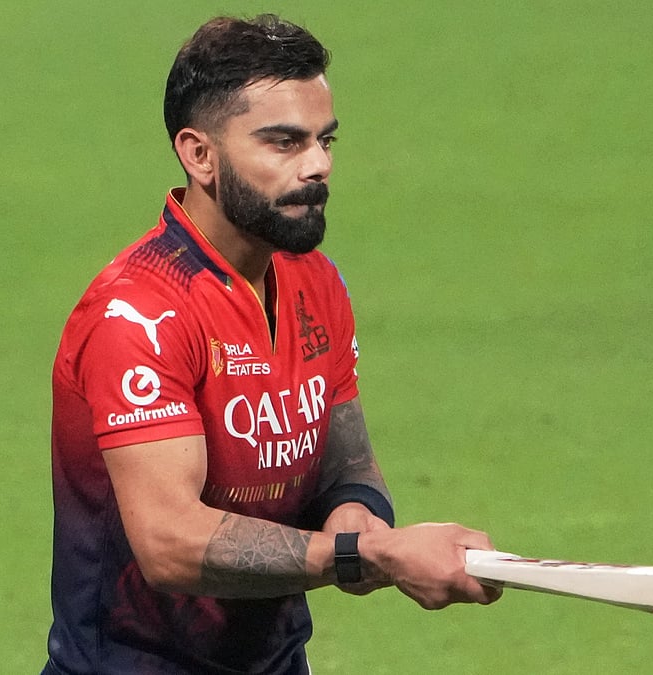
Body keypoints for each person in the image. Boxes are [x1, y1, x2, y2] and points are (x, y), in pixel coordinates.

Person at [42, 14, 500, 675]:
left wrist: (370, 529)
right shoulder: (139, 313)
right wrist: (361, 555)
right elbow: (168, 543)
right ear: (199, 154)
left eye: (324, 140)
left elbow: (346, 467)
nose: (317, 165)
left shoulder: (315, 281)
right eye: (283, 143)